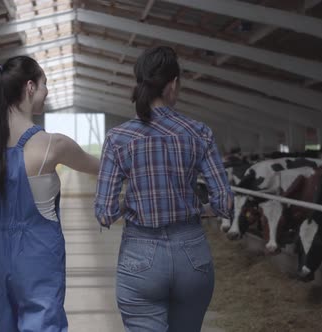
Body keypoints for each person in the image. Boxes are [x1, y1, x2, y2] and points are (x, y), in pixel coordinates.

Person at [0, 56, 100, 331]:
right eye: (44, 84)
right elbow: (103, 167)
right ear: (30, 87)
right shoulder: (52, 144)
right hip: (38, 250)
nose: (47, 92)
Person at [94, 46, 234, 332]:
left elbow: (105, 213)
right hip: (192, 253)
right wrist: (199, 209)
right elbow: (225, 203)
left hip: (140, 255)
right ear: (173, 84)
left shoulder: (118, 138)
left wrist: (129, 203)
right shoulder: (200, 132)